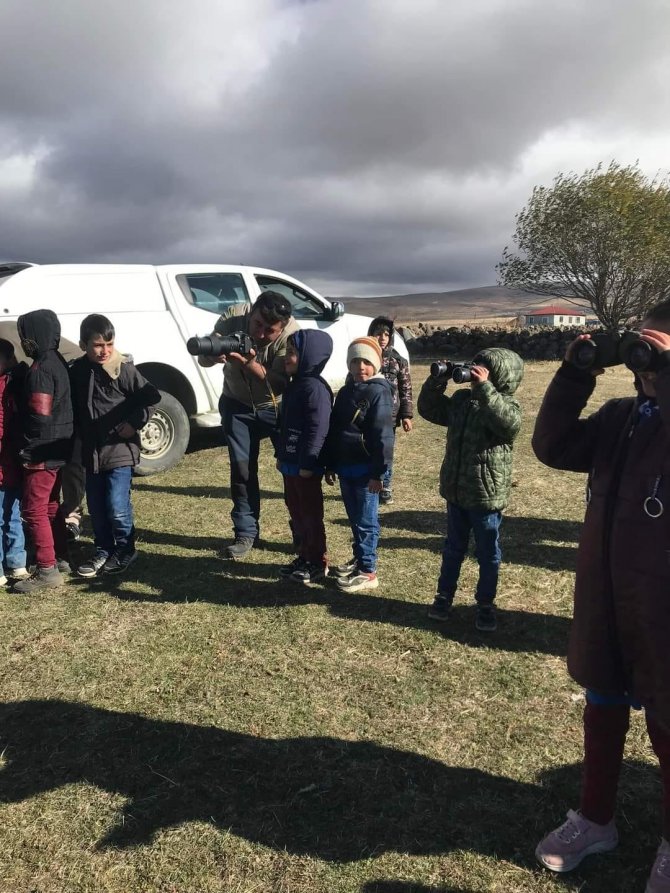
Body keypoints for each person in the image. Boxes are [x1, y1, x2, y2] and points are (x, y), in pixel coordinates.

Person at [532, 302, 670, 891]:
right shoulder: (620, 415)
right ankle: (595, 818)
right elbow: (554, 446)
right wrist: (576, 373)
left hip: (663, 601)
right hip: (607, 592)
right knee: (603, 700)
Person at [418, 348, 524, 632]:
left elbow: (507, 426)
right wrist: (437, 380)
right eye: (475, 367)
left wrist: (485, 389)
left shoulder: (508, 404)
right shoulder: (462, 400)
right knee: (453, 548)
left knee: (488, 553)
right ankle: (443, 597)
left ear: (500, 375)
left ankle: (485, 604)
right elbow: (429, 409)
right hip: (457, 491)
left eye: (484, 368)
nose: (476, 372)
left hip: (485, 495)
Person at [198, 291, 298, 559]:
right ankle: (245, 533)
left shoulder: (291, 334)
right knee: (242, 471)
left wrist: (247, 362)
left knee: (292, 471)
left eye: (270, 330)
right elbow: (203, 358)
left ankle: (301, 531)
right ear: (250, 313)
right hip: (236, 404)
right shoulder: (233, 318)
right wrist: (213, 354)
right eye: (257, 325)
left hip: (276, 407)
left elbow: (277, 382)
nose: (262, 334)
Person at [70, 314, 161, 578]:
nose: (105, 350)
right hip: (92, 453)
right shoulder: (77, 371)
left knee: (117, 505)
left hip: (119, 451)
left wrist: (134, 423)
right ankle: (103, 550)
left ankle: (125, 549)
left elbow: (151, 398)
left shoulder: (123, 369)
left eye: (109, 344)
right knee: (97, 507)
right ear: (82, 344)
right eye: (98, 345)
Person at [324, 336, 394, 593]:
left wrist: (379, 473)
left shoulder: (379, 392)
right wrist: (330, 464)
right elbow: (335, 430)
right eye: (355, 361)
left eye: (366, 361)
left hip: (367, 471)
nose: (360, 367)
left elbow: (383, 436)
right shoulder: (345, 391)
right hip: (345, 467)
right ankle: (360, 558)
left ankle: (368, 571)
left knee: (366, 520)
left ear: (375, 364)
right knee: (355, 518)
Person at [14, 309, 73, 593]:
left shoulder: (40, 370)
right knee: (51, 505)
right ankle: (60, 557)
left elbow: (40, 415)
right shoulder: (57, 360)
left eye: (25, 335)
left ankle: (46, 569)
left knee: (34, 509)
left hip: (42, 451)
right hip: (61, 446)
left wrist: (28, 449)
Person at [276, 329, 333, 583]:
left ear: (309, 356)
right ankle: (303, 554)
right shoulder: (294, 386)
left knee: (310, 515)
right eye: (287, 352)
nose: (286, 358)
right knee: (296, 512)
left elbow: (317, 430)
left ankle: (317, 561)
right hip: (290, 463)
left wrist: (309, 463)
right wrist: (281, 454)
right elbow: (285, 425)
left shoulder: (315, 389)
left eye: (292, 353)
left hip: (306, 466)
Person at [367, 316, 413, 504]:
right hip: (367, 414)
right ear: (371, 335)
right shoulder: (364, 358)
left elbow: (406, 389)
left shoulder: (398, 361)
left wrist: (407, 415)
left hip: (389, 416)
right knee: (367, 449)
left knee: (385, 450)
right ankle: (369, 481)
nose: (383, 337)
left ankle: (385, 485)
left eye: (386, 334)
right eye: (378, 333)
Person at [0, 339, 29, 586]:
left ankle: (17, 562)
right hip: (6, 461)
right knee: (2, 515)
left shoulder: (15, 384)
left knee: (14, 515)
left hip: (12, 461)